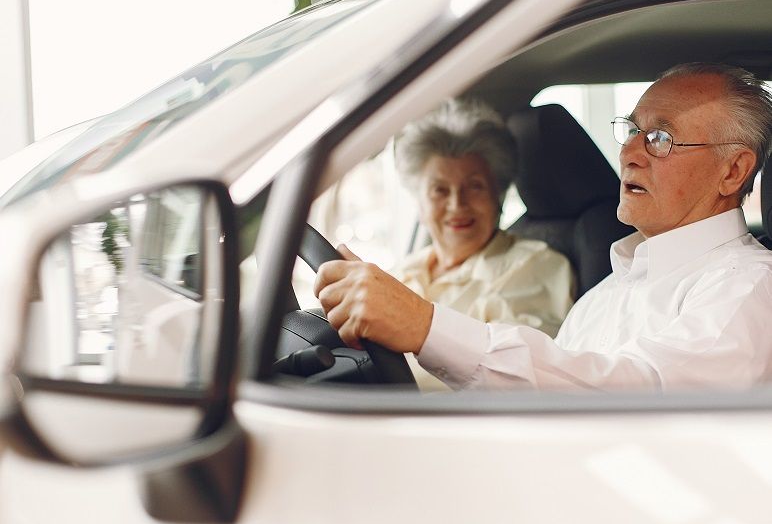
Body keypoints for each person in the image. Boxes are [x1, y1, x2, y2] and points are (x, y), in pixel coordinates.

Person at [315, 62, 772, 392]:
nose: (629, 153)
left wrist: (424, 326)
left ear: (732, 172)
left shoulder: (751, 287)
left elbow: (637, 393)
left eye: (659, 138)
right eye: (632, 131)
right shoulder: (605, 294)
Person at [389, 98, 574, 390]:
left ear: (498, 197)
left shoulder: (535, 266)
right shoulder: (404, 271)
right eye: (440, 190)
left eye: (474, 187)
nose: (456, 204)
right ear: (419, 202)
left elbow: (517, 379)